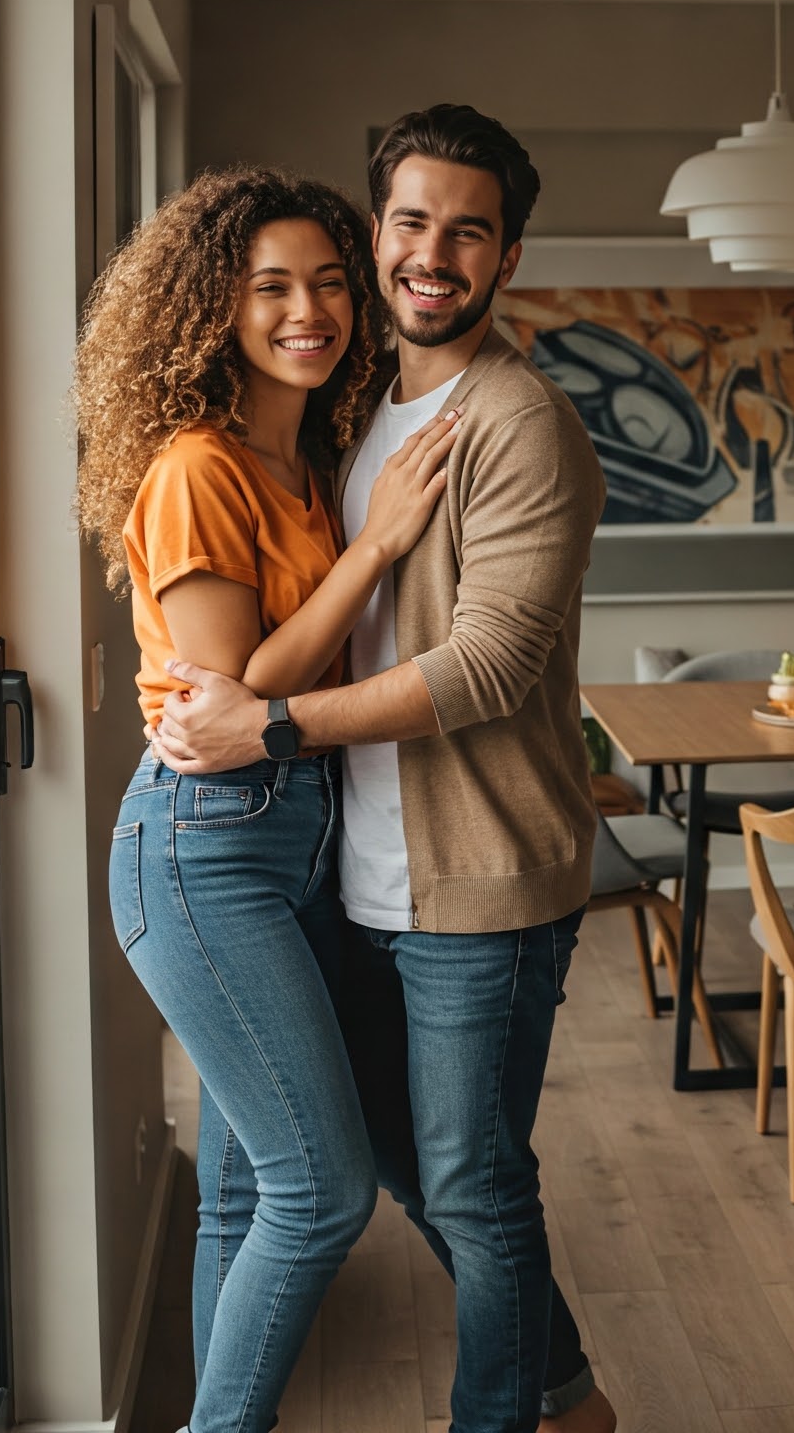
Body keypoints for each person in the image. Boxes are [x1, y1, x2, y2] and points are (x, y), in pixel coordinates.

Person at [156, 106, 613, 1433]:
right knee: (421, 1177)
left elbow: (487, 671)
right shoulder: (357, 411)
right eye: (412, 221)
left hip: (480, 884)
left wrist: (274, 729)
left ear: (506, 256)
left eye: (469, 230)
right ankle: (571, 1397)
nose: (435, 253)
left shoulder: (517, 424)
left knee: (469, 1185)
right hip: (350, 879)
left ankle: (518, 1416)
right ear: (377, 234)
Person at [76, 169, 462, 1433]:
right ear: (212, 310)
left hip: (294, 840)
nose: (311, 310)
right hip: (205, 847)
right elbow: (234, 697)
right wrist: (376, 548)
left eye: (331, 281)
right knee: (321, 1190)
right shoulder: (198, 467)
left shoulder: (298, 464)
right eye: (271, 288)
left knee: (247, 1194)